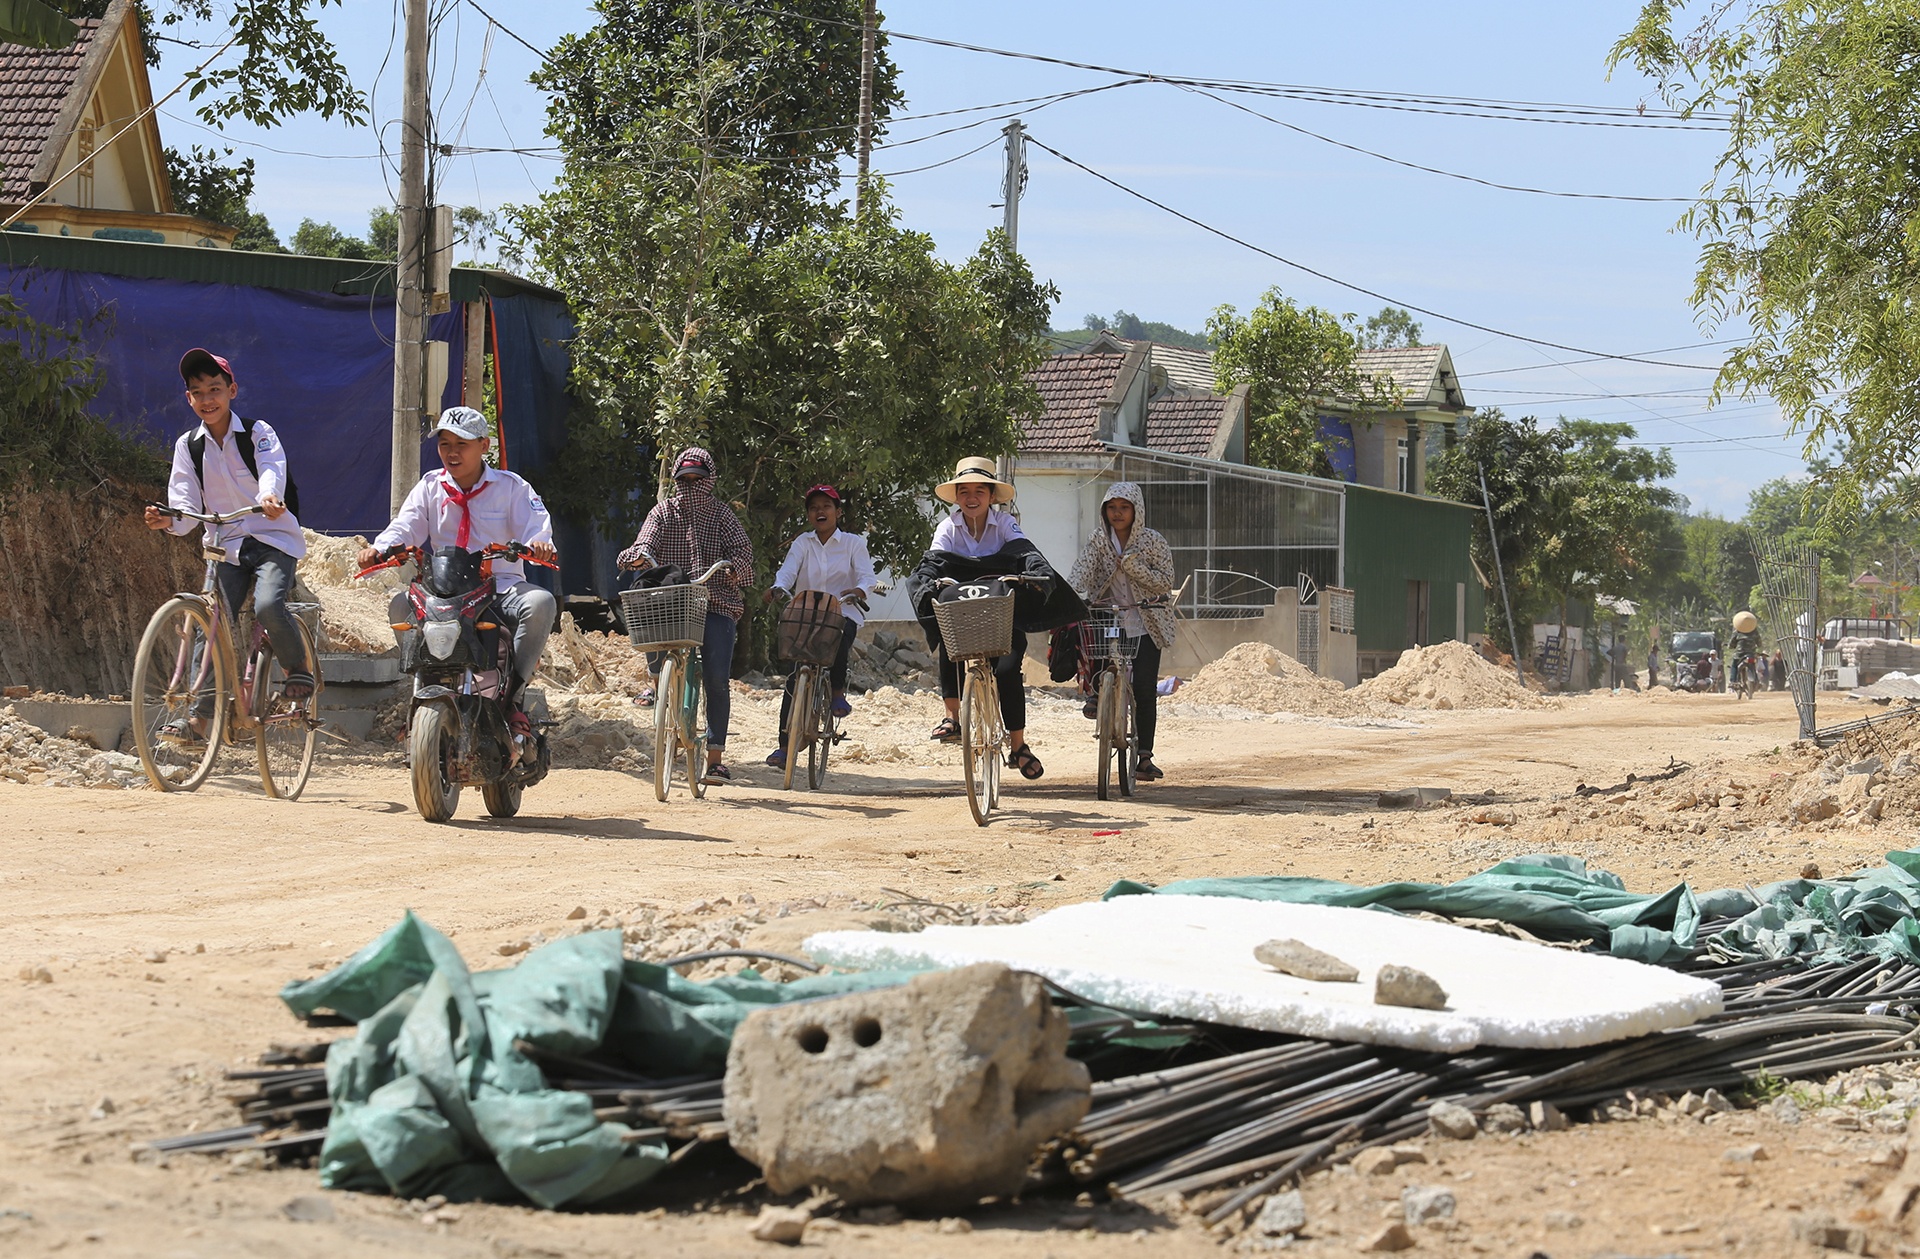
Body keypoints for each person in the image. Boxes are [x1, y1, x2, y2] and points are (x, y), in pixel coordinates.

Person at [143, 347, 313, 743]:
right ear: (189, 399)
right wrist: (169, 518)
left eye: (215, 389)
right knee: (208, 620)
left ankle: (297, 668)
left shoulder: (258, 432)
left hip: (272, 538)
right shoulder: (189, 445)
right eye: (198, 392)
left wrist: (270, 496)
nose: (207, 399)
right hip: (226, 543)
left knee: (270, 605)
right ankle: (200, 720)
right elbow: (185, 505)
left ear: (232, 390)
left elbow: (273, 469)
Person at [359, 407, 557, 740]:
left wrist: (539, 544)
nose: (451, 452)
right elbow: (406, 526)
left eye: (462, 444)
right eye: (444, 443)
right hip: (445, 589)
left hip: (500, 589)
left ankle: (513, 697)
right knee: (399, 606)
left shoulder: (513, 488)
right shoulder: (430, 487)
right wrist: (380, 548)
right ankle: (428, 685)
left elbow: (536, 527)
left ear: (484, 445)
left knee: (540, 603)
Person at [908, 457, 1085, 782]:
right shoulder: (947, 527)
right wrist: (927, 579)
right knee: (950, 645)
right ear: (957, 496)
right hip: (964, 611)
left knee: (1007, 671)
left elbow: (1027, 553)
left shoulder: (1005, 524)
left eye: (979, 490)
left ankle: (1018, 747)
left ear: (991, 495)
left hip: (1002, 614)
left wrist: (1037, 572)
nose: (972, 497)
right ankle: (952, 718)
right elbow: (932, 561)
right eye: (964, 491)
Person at [618, 447, 753, 784]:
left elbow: (742, 550)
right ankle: (658, 684)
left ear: (710, 480)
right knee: (647, 619)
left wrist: (735, 567)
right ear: (676, 481)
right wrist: (637, 556)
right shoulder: (663, 512)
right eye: (685, 480)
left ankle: (716, 758)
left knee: (718, 681)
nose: (691, 486)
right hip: (673, 600)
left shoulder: (723, 515)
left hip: (716, 601)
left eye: (698, 479)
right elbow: (645, 542)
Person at [764, 484, 878, 770]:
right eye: (814, 507)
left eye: (826, 506)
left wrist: (860, 590)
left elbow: (867, 577)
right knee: (793, 676)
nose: (820, 511)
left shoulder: (853, 543)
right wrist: (778, 587)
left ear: (838, 512)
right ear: (809, 515)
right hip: (806, 613)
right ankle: (783, 745)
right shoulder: (803, 542)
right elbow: (788, 571)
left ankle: (837, 693)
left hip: (844, 610)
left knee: (838, 636)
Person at [1068, 481, 1176, 782]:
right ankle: (1096, 695)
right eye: (1112, 508)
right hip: (1107, 615)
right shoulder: (1098, 540)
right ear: (1105, 511)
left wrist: (1132, 566)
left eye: (1124, 508)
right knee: (1097, 658)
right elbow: (1082, 570)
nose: (1117, 513)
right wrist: (1069, 592)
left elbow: (1165, 580)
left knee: (1144, 688)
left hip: (1145, 619)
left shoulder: (1152, 541)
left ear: (1136, 511)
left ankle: (1144, 758)